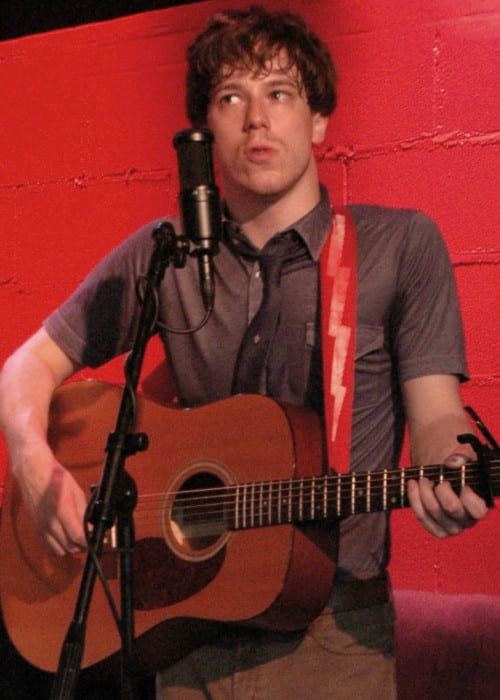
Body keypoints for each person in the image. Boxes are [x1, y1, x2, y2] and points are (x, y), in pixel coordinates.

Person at [0, 6, 489, 699]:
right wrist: (32, 461)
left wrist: (455, 466)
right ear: (206, 131)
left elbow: (438, 415)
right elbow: (22, 370)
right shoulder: (161, 254)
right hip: (182, 626)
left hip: (333, 637)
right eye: (233, 97)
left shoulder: (401, 248)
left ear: (318, 121)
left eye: (279, 93)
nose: (257, 118)